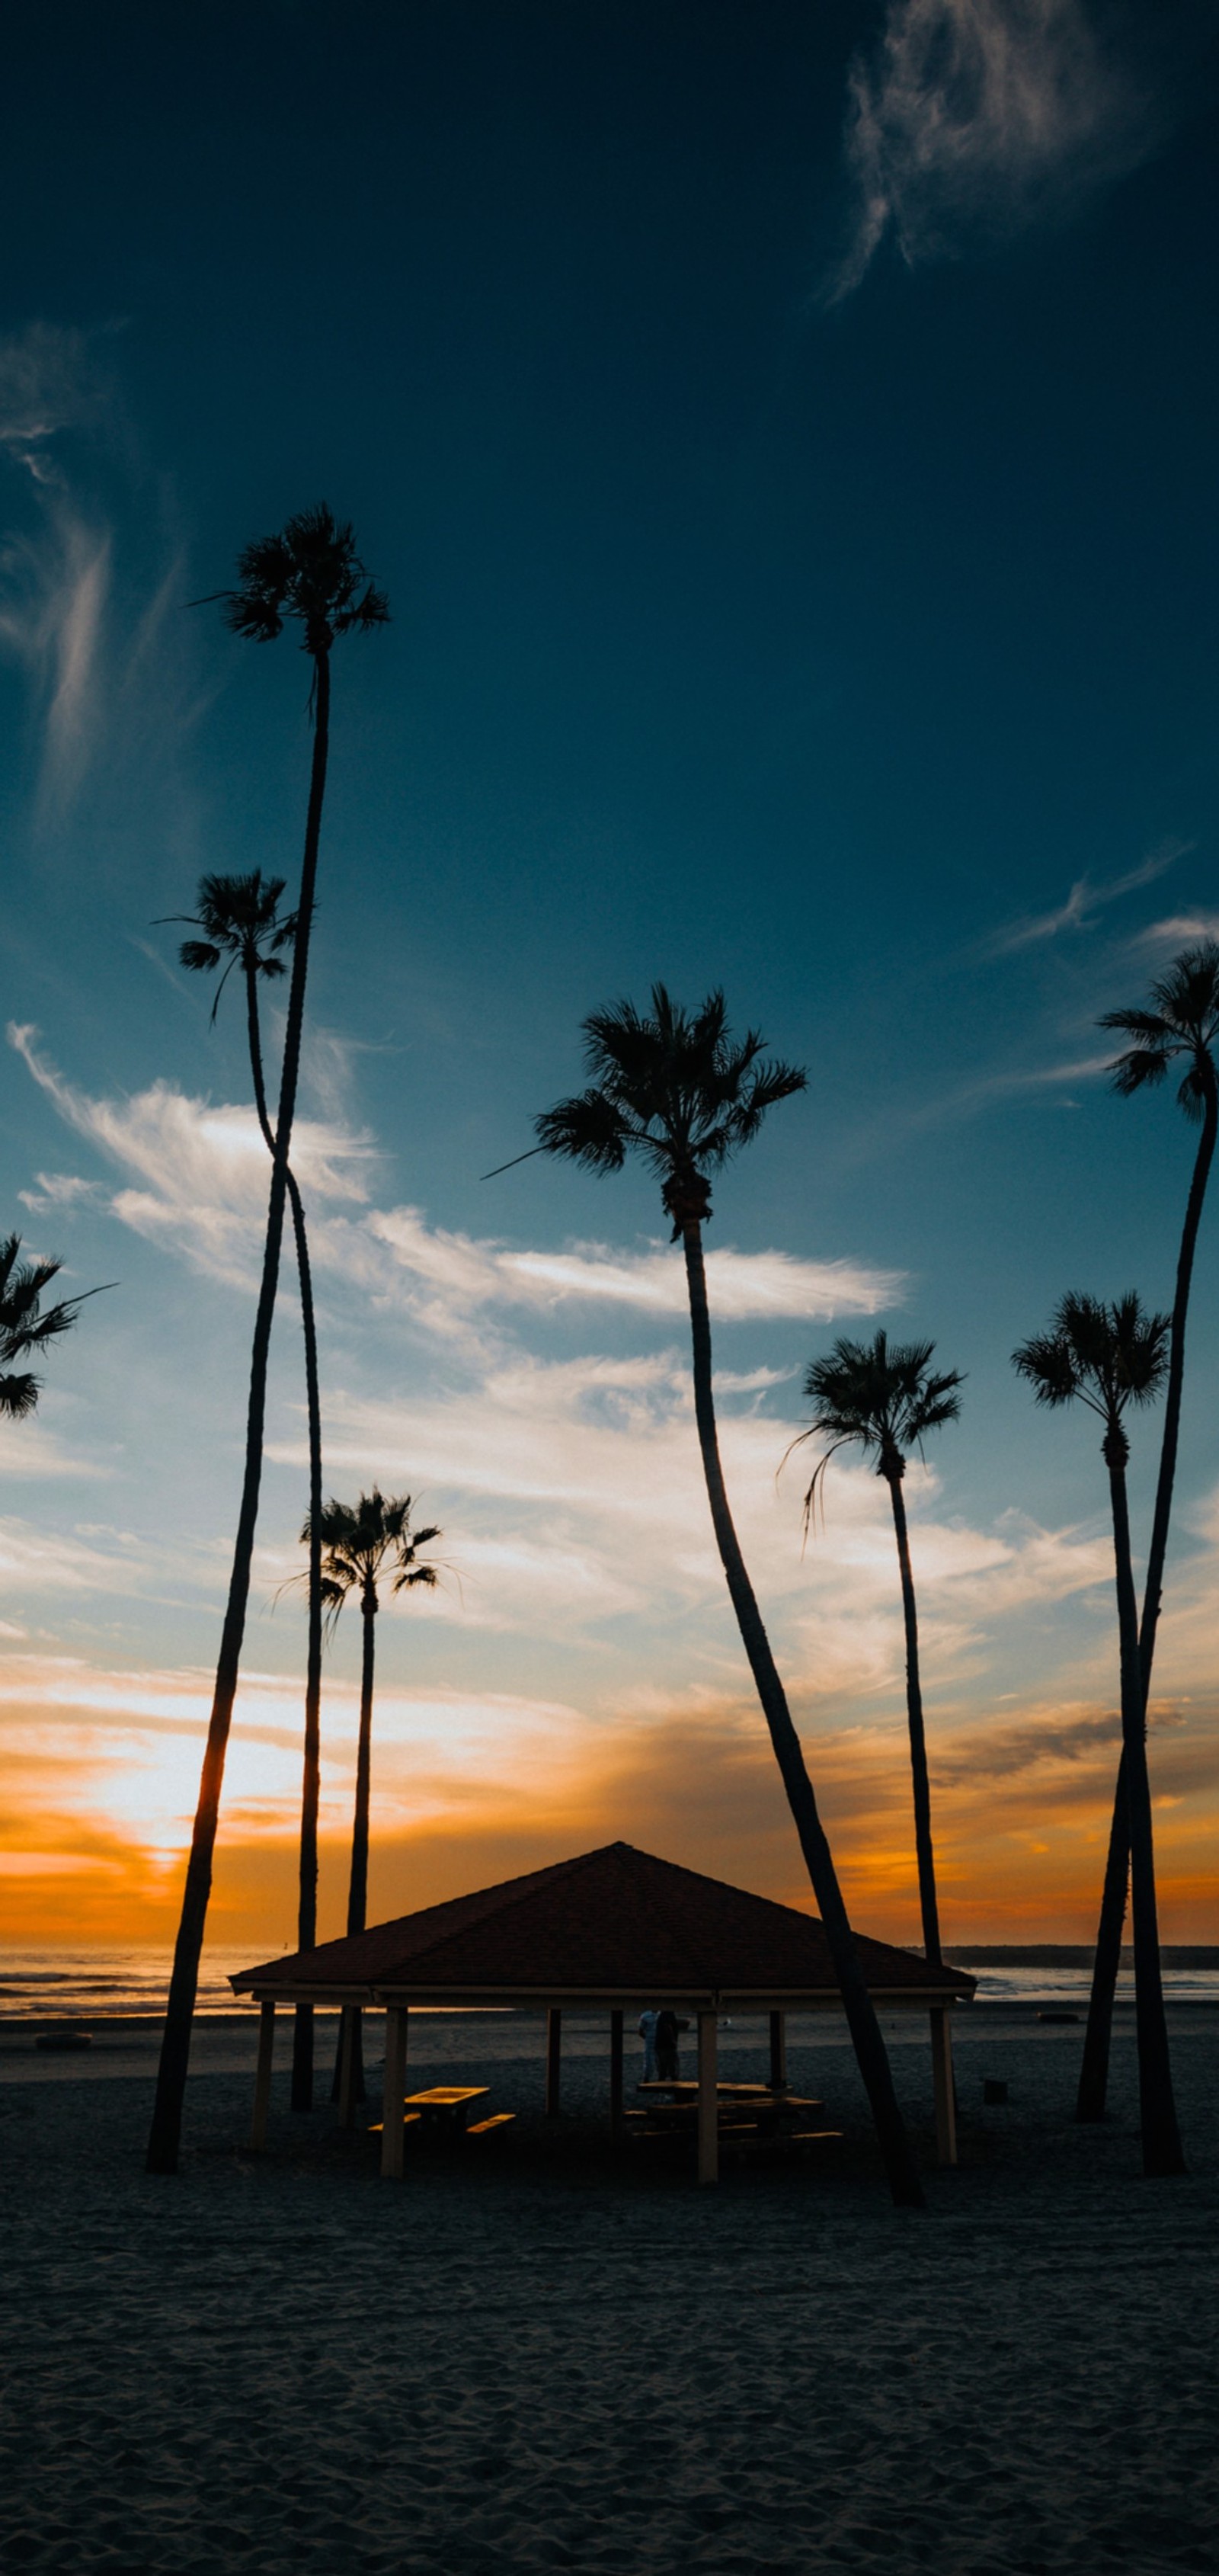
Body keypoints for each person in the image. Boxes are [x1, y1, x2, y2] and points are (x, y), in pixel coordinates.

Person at [654, 2007, 680, 2082]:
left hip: (660, 2045)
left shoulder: (662, 2015)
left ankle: (662, 2083)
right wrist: (673, 2040)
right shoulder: (668, 2014)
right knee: (671, 2066)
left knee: (662, 2067)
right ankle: (673, 2082)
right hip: (667, 2045)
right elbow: (668, 2027)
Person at [638, 2007, 658, 2083]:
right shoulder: (662, 2015)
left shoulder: (645, 2016)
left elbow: (640, 2031)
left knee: (649, 2060)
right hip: (657, 2041)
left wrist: (646, 2038)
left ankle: (647, 2077)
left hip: (650, 2040)